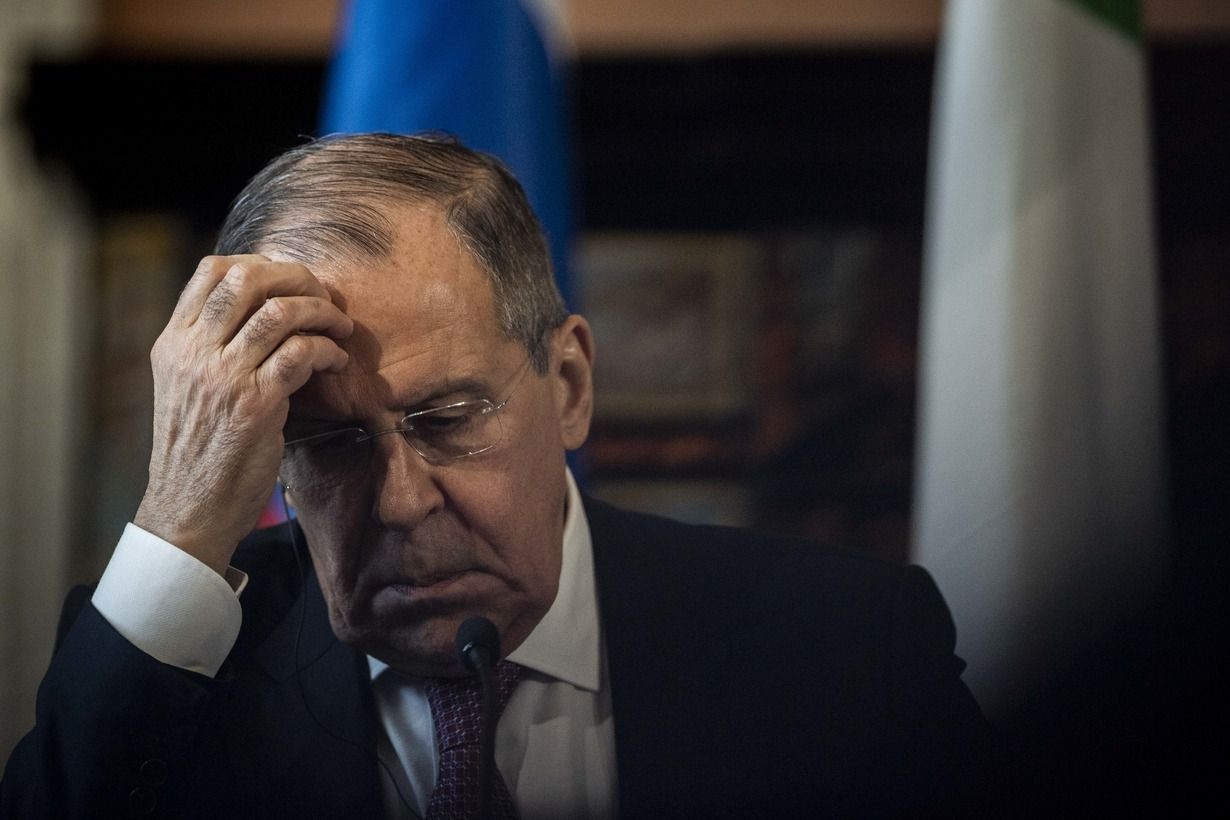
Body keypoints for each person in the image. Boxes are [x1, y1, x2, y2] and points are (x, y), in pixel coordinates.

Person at [1, 134, 988, 818]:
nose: (401, 502)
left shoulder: (844, 649)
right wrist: (179, 517)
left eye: (447, 420)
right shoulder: (170, 674)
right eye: (332, 443)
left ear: (569, 384)